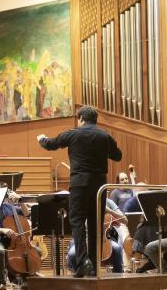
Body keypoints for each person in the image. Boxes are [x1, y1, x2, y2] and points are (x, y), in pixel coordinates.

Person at [37, 106, 122, 277]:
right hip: (99, 186)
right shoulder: (104, 136)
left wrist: (42, 139)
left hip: (80, 184)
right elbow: (118, 156)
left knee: (77, 221)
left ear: (81, 118)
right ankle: (94, 265)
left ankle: (83, 262)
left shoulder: (73, 134)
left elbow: (51, 144)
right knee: (96, 223)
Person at [0, 179, 35, 286]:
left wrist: (20, 200)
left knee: (34, 251)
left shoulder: (7, 207)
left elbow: (26, 214)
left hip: (9, 241)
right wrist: (2, 230)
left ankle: (24, 282)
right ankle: (2, 283)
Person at [66, 198, 126, 274]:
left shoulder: (109, 202)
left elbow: (125, 220)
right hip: (84, 238)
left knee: (117, 249)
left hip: (104, 238)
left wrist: (109, 211)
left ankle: (118, 276)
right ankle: (80, 275)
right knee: (72, 254)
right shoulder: (82, 201)